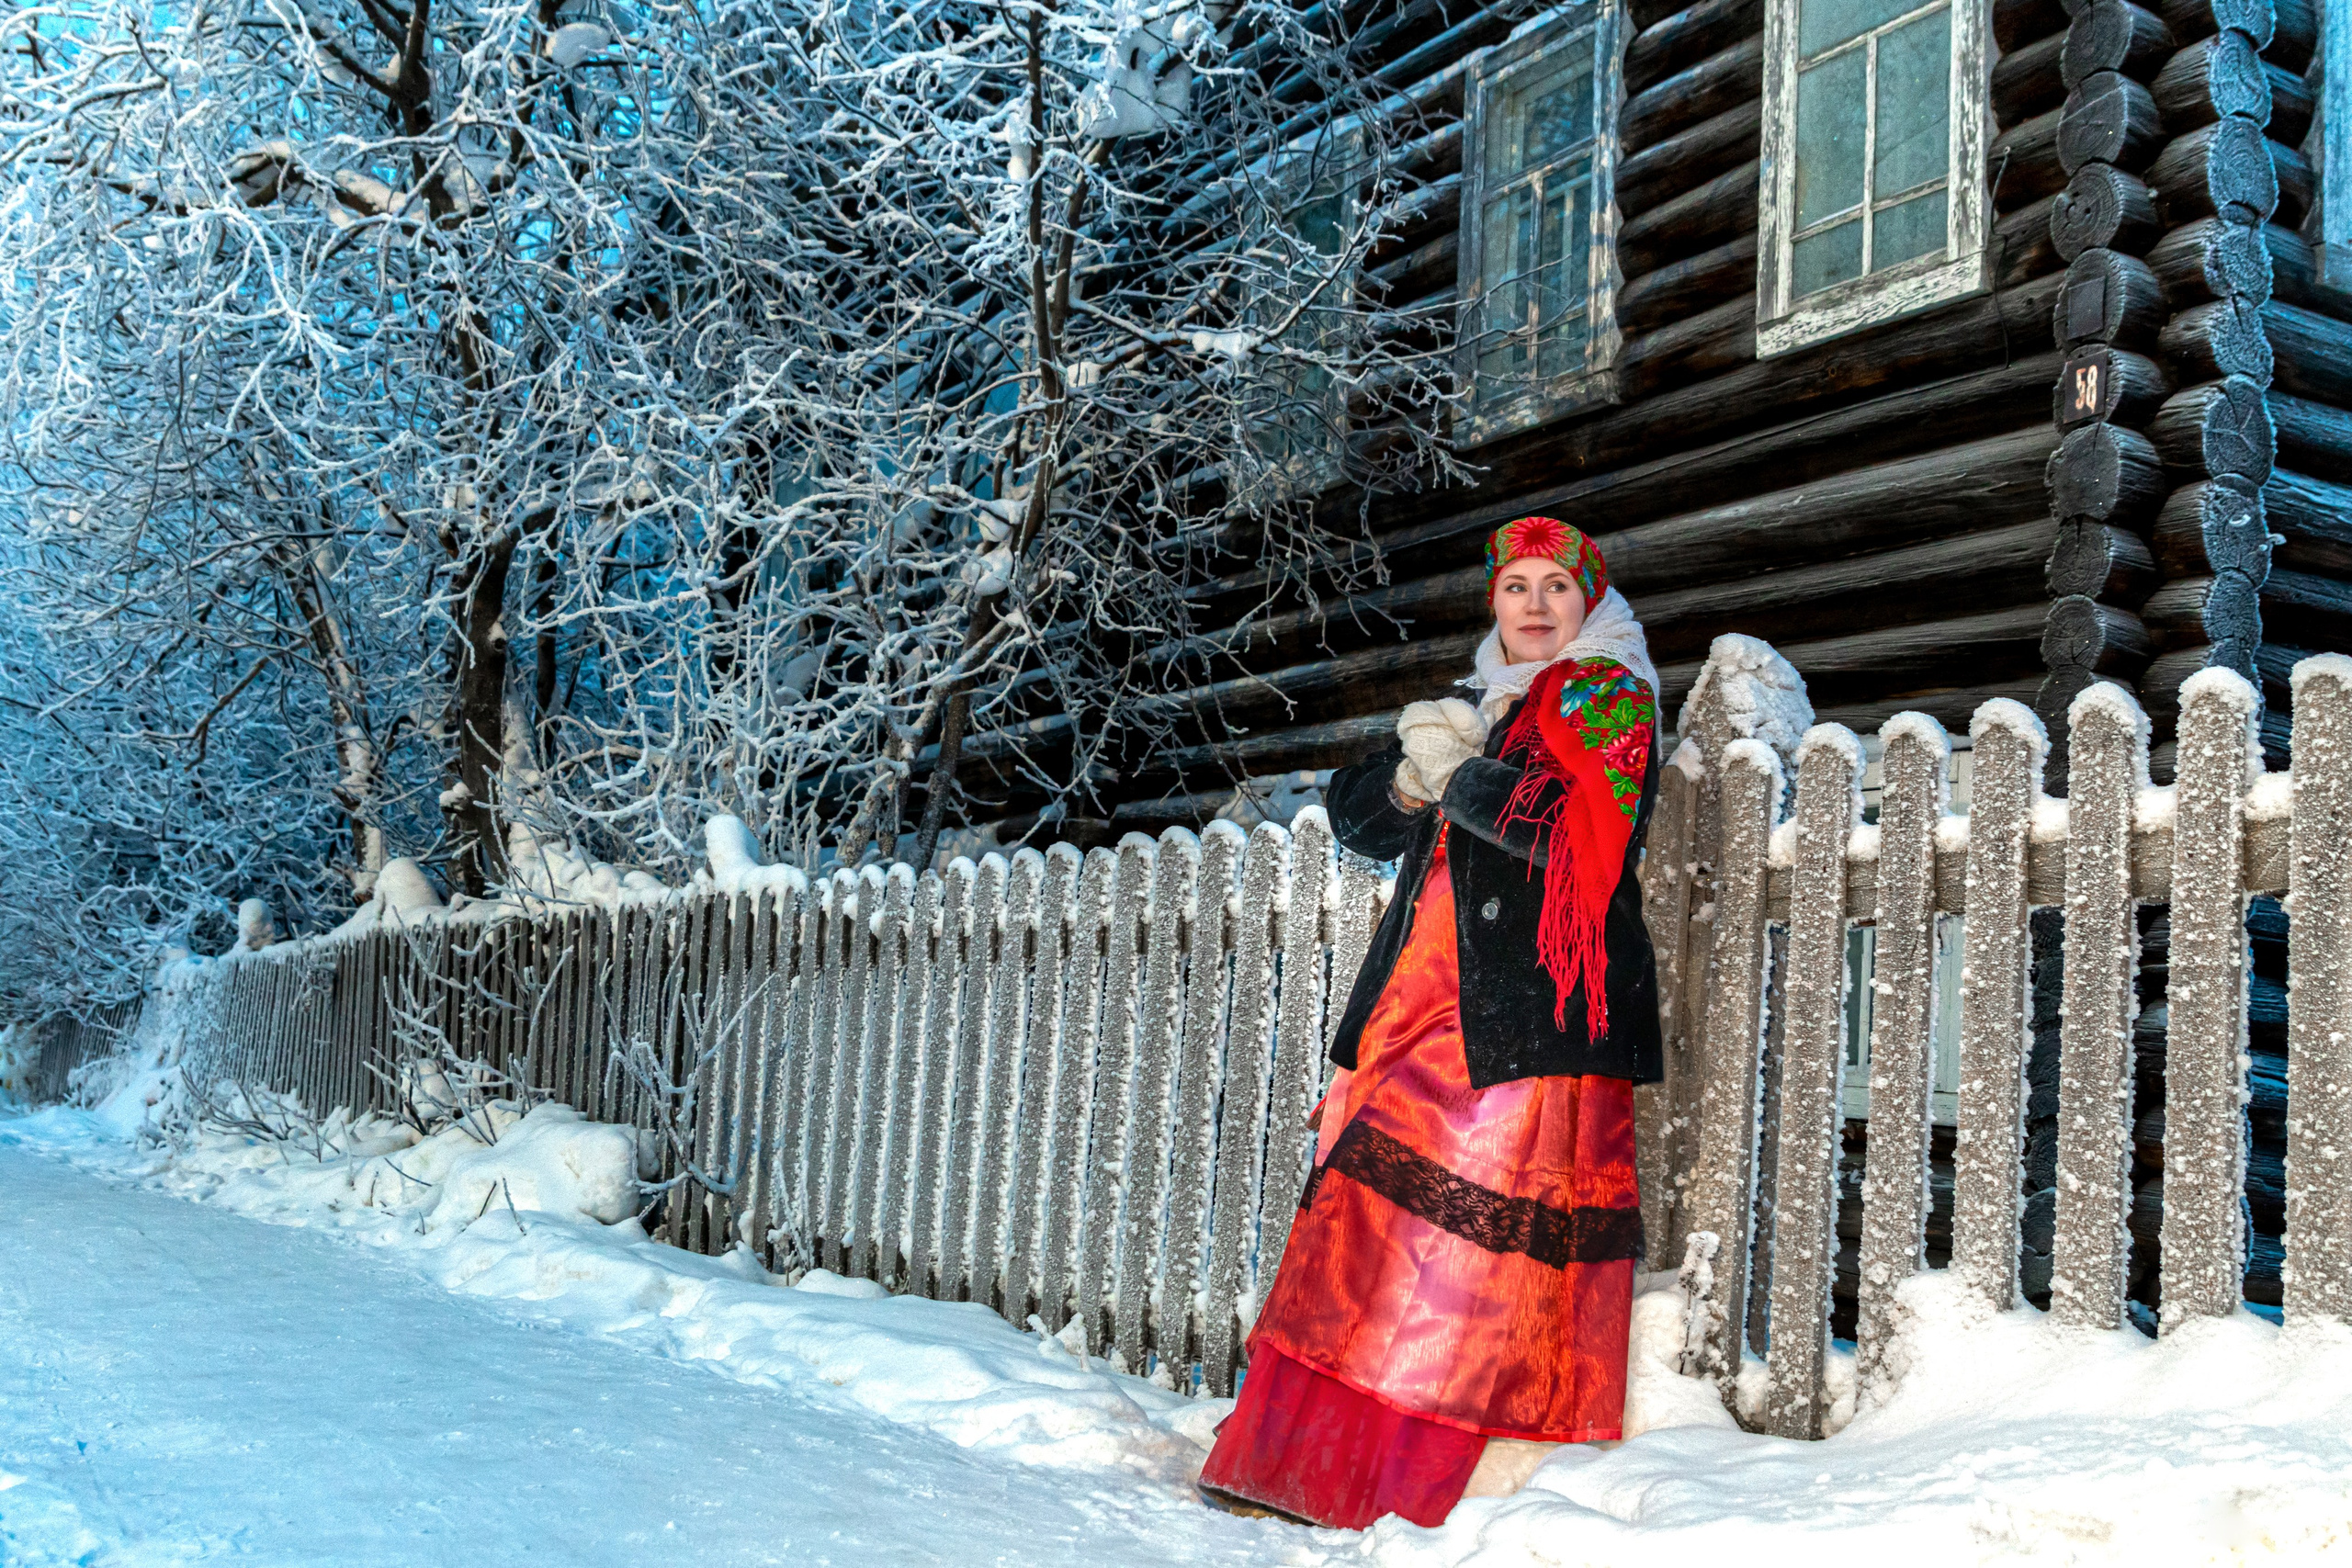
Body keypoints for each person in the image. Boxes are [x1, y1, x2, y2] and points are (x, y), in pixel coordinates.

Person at [1195, 515, 1664, 1529]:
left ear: (1588, 602)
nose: (1534, 605)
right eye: (1516, 586)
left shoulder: (1609, 695)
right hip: (1419, 1001)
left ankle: (1395, 1483)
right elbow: (1358, 815)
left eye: (1556, 587)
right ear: (1493, 601)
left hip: (1527, 1016)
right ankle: (1292, 1461)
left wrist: (1459, 778)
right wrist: (1410, 778)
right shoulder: (1476, 697)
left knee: (1456, 1258)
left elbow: (1577, 832)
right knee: (1360, 1228)